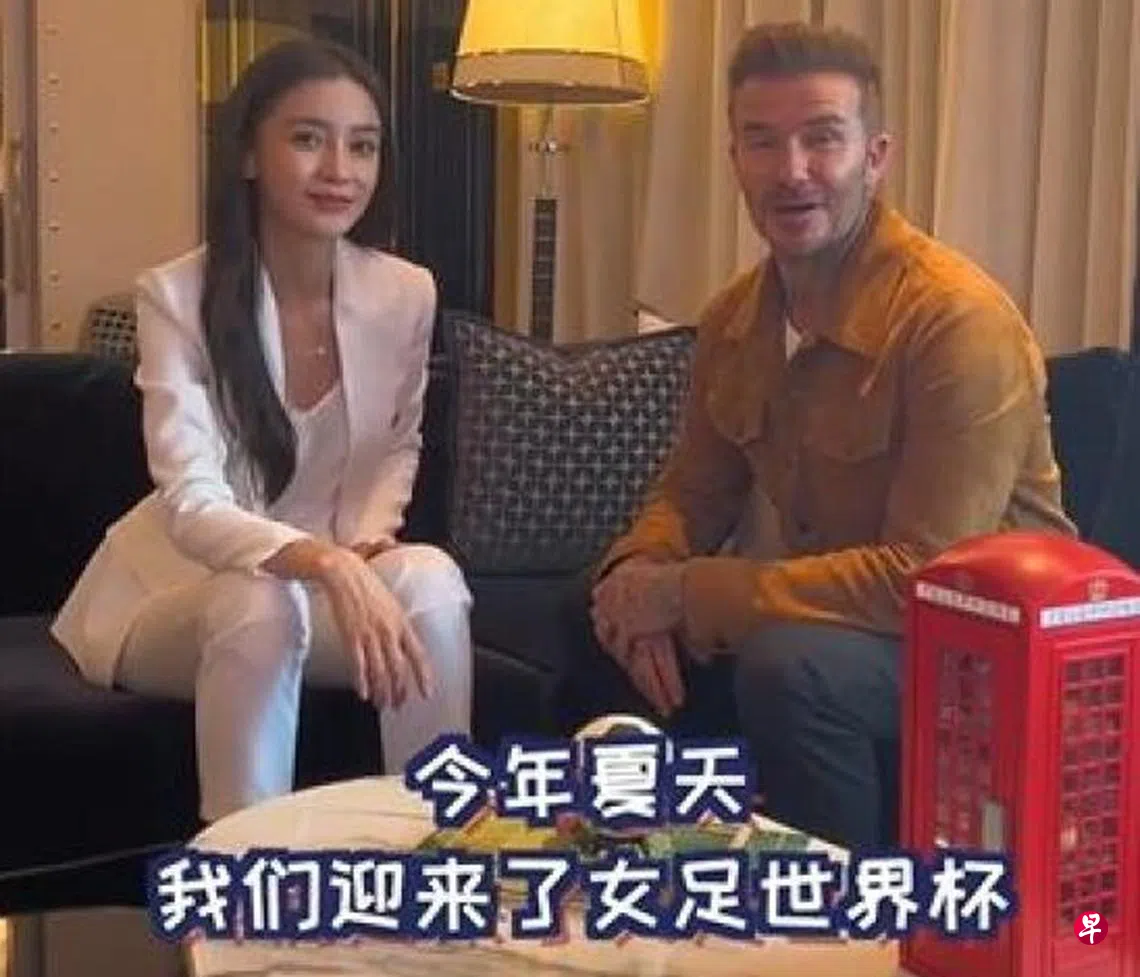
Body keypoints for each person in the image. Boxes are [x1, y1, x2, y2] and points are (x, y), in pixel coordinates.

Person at [556, 22, 1076, 849]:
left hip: (985, 645)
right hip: (833, 617)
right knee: (594, 611)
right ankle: (636, 871)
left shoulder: (956, 322)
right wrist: (637, 573)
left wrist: (686, 593)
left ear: (875, 157)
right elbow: (692, 491)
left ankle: (834, 909)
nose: (791, 170)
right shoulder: (735, 318)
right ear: (734, 159)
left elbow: (923, 578)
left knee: (790, 667)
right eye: (762, 141)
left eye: (822, 138)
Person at [51, 38, 473, 823]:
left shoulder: (406, 293)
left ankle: (439, 837)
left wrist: (366, 548)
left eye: (363, 145)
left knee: (432, 580)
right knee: (263, 601)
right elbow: (191, 501)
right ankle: (247, 866)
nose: (340, 169)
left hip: (332, 580)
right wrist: (325, 562)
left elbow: (399, 443)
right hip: (181, 592)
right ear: (249, 153)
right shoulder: (176, 296)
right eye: (308, 138)